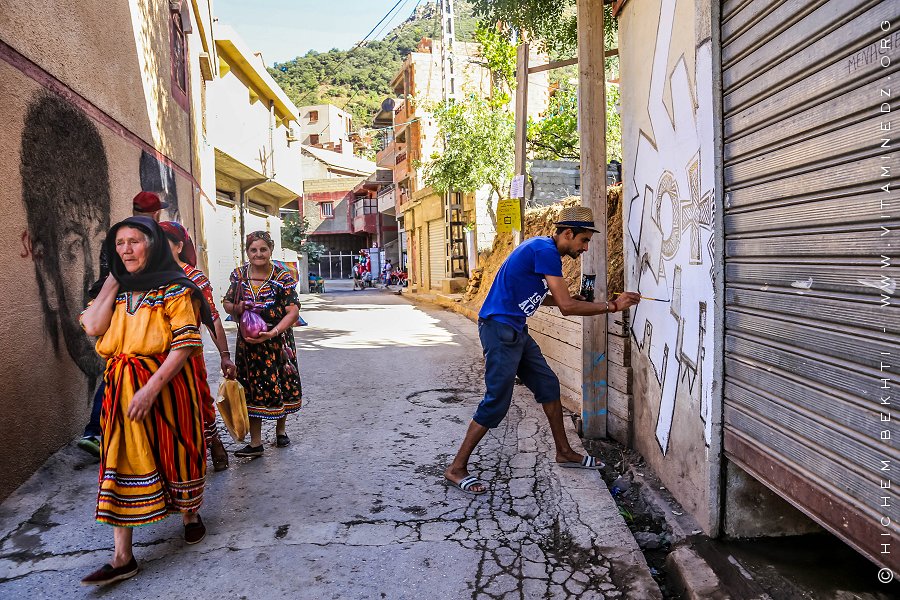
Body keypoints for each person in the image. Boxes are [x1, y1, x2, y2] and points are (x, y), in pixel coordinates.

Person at [443, 206, 642, 495]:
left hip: (515, 330)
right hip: (500, 331)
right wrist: (613, 306)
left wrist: (567, 298)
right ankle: (456, 468)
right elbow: (568, 308)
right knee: (496, 401)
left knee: (548, 386)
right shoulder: (546, 251)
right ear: (568, 233)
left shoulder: (541, 248)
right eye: (583, 241)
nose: (585, 248)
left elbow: (538, 295)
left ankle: (564, 451)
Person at [79, 216, 214, 585]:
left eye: (134, 241)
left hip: (168, 384)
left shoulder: (175, 288)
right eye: (119, 243)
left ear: (152, 245)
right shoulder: (114, 289)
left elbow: (186, 343)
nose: (125, 249)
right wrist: (113, 277)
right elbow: (93, 327)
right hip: (121, 387)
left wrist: (151, 388)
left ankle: (189, 514)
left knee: (177, 449)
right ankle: (123, 556)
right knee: (119, 459)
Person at [78, 191, 169, 458]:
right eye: (123, 244)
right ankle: (106, 431)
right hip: (120, 306)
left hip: (114, 302)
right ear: (156, 213)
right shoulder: (151, 239)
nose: (127, 249)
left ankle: (96, 430)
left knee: (118, 369)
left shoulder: (117, 235)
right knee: (122, 367)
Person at [159, 221, 236, 471]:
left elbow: (211, 317)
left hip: (188, 356)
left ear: (179, 246)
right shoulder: (145, 277)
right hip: (156, 357)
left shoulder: (192, 277)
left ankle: (211, 442)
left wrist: (225, 356)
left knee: (199, 404)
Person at [222, 231, 303, 457]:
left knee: (281, 383)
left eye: (263, 249)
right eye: (253, 250)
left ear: (271, 250)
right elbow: (227, 302)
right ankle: (256, 443)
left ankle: (281, 430)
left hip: (277, 342)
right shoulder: (239, 276)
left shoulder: (283, 276)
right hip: (248, 344)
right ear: (247, 252)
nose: (258, 254)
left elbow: (293, 311)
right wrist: (237, 308)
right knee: (250, 388)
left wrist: (273, 332)